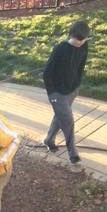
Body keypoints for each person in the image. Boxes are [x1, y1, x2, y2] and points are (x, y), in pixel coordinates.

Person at [43, 19, 91, 168]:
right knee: (68, 121)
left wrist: (77, 85)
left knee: (61, 117)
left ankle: (49, 140)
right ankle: (73, 154)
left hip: (72, 90)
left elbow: (80, 67)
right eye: (77, 40)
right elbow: (47, 73)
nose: (79, 43)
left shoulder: (84, 46)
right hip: (57, 93)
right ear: (71, 35)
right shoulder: (60, 49)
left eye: (83, 40)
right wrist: (52, 94)